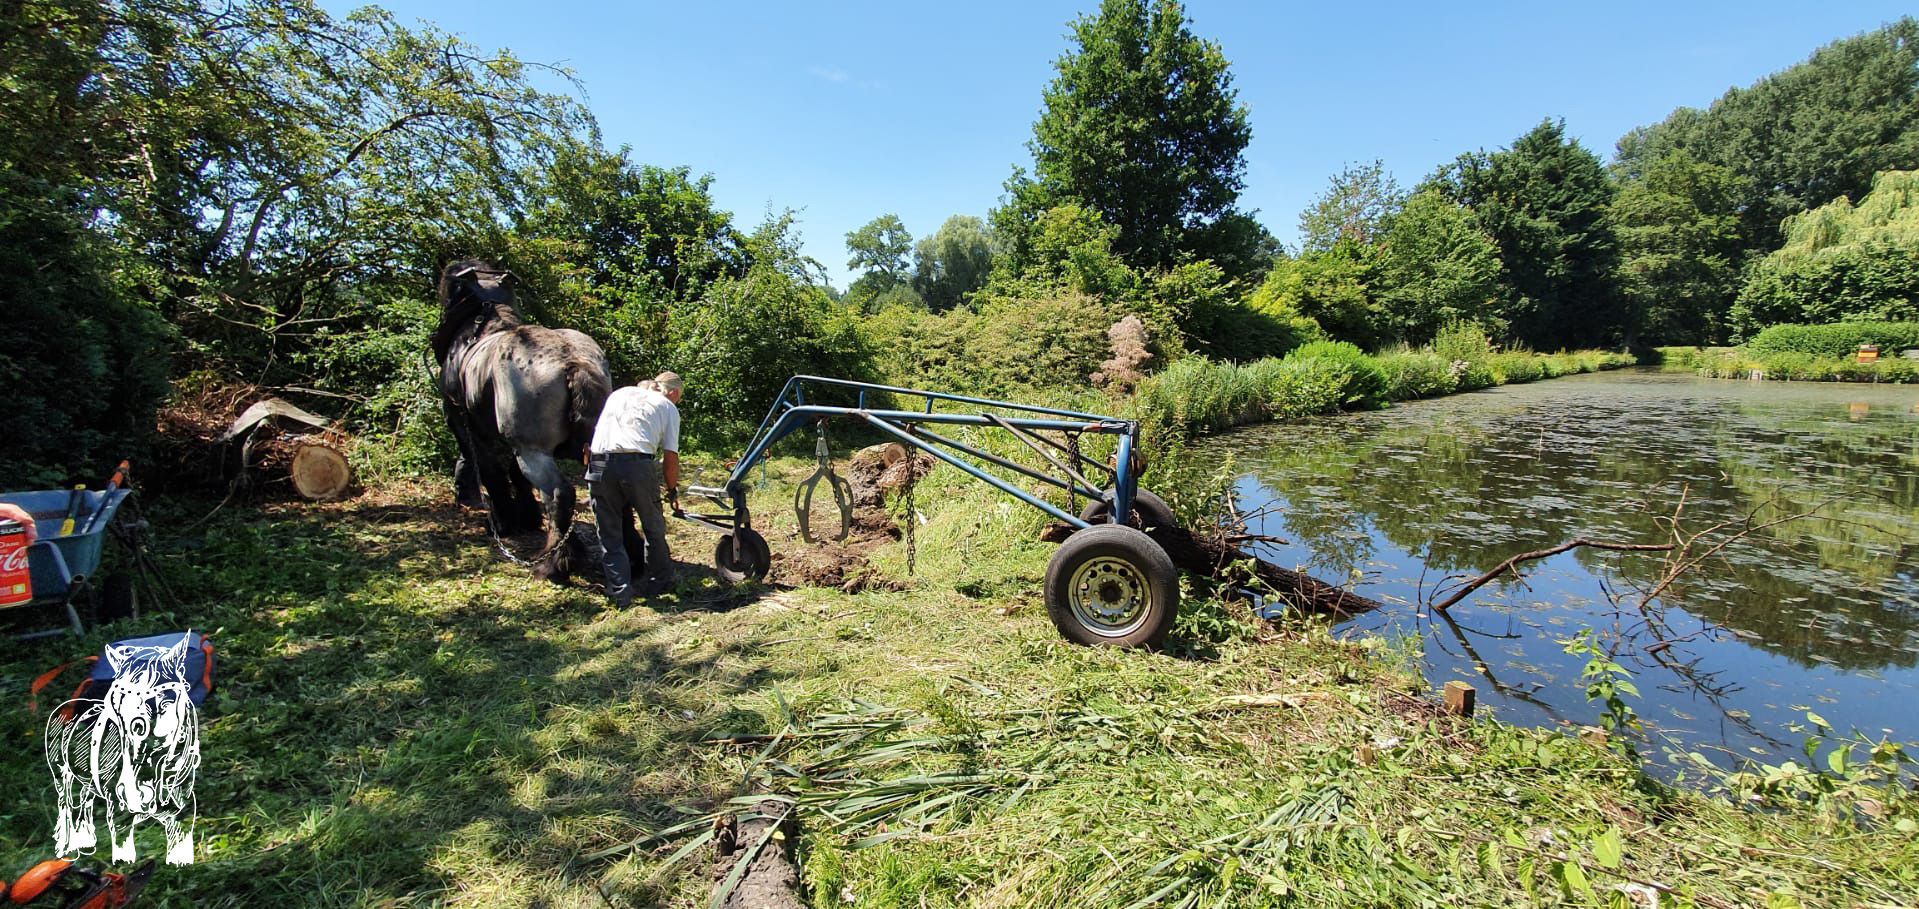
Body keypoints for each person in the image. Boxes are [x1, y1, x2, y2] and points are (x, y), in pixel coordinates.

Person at [586, 371, 683, 606]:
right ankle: (659, 583)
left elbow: (597, 432)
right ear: (671, 392)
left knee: (609, 532)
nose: (676, 401)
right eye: (677, 397)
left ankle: (620, 592)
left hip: (599, 461)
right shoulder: (667, 407)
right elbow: (670, 458)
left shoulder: (619, 394)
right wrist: (672, 491)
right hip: (637, 463)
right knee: (653, 526)